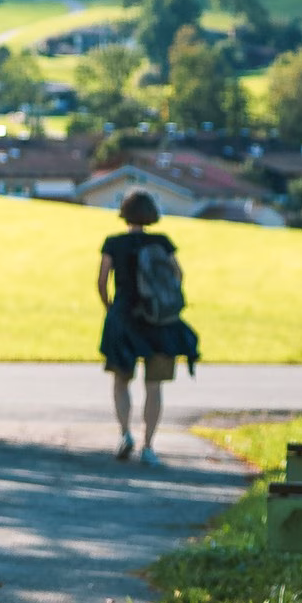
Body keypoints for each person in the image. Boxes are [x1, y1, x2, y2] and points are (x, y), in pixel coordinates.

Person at [97, 190, 199, 462]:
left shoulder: (113, 243)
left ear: (124, 213)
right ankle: (149, 446)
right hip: (159, 322)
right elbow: (178, 274)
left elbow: (102, 280)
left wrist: (110, 308)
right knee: (154, 386)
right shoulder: (162, 242)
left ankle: (125, 434)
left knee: (121, 381)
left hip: (124, 319)